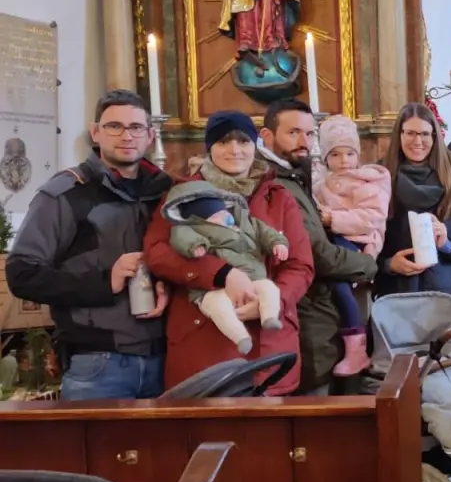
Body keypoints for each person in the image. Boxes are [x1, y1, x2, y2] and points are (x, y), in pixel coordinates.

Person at [9, 90, 173, 399]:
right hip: (98, 363)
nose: (126, 135)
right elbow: (22, 274)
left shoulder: (166, 191)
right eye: (114, 126)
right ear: (95, 132)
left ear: (150, 135)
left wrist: (167, 280)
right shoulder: (64, 193)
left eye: (136, 127)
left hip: (166, 359)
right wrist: (105, 282)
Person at [144, 111, 313, 394]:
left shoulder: (278, 196)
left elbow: (300, 266)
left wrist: (273, 301)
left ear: (255, 145)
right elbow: (158, 252)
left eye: (244, 142)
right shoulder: (184, 193)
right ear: (210, 147)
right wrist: (221, 274)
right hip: (205, 338)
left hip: (270, 342)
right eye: (223, 142)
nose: (234, 150)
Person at [259, 101, 378, 391]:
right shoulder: (278, 183)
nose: (305, 143)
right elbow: (317, 254)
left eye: (310, 134)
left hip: (317, 314)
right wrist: (370, 264)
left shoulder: (294, 178)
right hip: (306, 316)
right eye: (294, 132)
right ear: (267, 136)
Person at [375, 102, 451, 309]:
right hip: (398, 296)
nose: (418, 141)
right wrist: (388, 264)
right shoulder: (380, 177)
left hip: (450, 294)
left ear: (435, 137)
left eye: (424, 134)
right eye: (410, 133)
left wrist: (448, 244)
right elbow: (364, 243)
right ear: (399, 135)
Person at [162, 181, 289, 353]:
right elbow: (181, 236)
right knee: (217, 306)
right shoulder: (192, 229)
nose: (225, 219)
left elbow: (267, 232)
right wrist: (195, 245)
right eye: (216, 217)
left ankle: (270, 317)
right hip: (214, 287)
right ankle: (241, 337)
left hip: (253, 277)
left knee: (269, 288)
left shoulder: (246, 224)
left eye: (224, 214)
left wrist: (278, 243)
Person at [311, 114, 390, 378]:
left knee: (340, 282)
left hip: (359, 241)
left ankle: (356, 346)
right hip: (334, 239)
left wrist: (332, 218)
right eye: (335, 155)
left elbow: (372, 217)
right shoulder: (320, 183)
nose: (343, 161)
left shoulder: (367, 181)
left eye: (348, 154)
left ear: (358, 156)